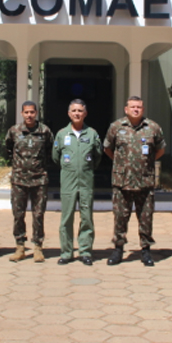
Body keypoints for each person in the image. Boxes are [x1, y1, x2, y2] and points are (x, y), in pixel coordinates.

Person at [103, 96, 165, 266]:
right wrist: (120, 163)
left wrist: (147, 164)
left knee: (145, 218)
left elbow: (160, 149)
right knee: (120, 217)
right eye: (132, 107)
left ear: (143, 109)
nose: (136, 109)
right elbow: (108, 148)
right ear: (126, 109)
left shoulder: (153, 127)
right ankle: (118, 250)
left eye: (139, 107)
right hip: (122, 181)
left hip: (144, 181)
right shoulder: (116, 127)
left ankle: (145, 250)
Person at [52, 99, 102, 265]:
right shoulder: (61, 134)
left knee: (87, 217)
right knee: (66, 218)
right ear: (69, 113)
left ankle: (85, 252)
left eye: (80, 111)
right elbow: (55, 156)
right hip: (68, 181)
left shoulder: (92, 134)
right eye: (74, 110)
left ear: (85, 113)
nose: (77, 113)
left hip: (86, 182)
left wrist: (86, 169)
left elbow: (97, 156)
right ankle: (66, 253)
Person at [5, 101, 54, 263]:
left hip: (39, 179)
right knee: (18, 214)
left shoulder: (44, 131)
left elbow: (50, 151)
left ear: (36, 113)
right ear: (21, 113)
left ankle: (38, 247)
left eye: (32, 112)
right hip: (19, 180)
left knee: (38, 214)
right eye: (26, 112)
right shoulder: (14, 131)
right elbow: (8, 150)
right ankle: (20, 246)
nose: (29, 115)